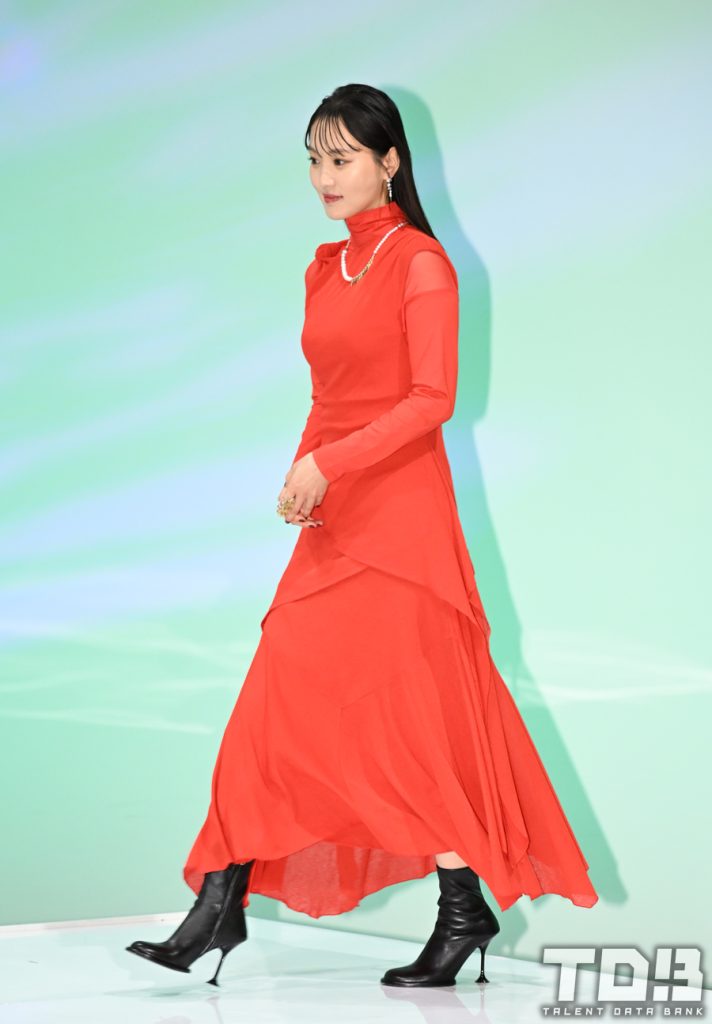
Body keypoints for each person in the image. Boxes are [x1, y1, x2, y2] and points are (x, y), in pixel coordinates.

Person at [126, 83, 598, 989]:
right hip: (336, 518)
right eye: (313, 159)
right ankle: (224, 899)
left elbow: (432, 400)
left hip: (403, 522)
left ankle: (458, 909)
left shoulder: (423, 264)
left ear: (389, 163)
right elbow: (329, 396)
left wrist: (330, 465)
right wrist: (302, 476)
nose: (323, 177)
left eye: (341, 159)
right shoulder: (322, 269)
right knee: (275, 703)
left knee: (409, 722)